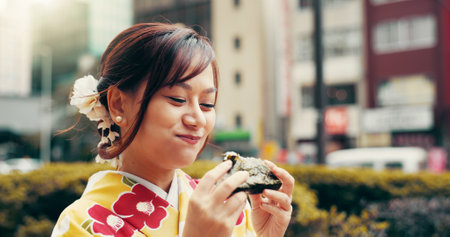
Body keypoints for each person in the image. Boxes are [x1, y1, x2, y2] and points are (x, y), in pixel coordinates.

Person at [52, 22, 294, 237]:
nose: (198, 119)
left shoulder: (222, 205)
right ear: (119, 104)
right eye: (177, 99)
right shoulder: (80, 223)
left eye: (207, 104)